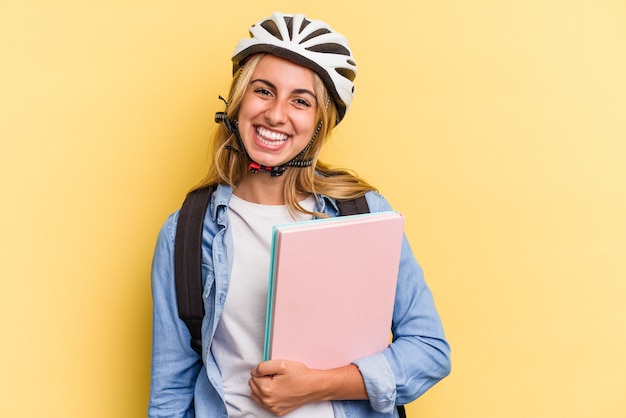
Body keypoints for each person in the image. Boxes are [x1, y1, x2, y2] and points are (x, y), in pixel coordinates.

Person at [148, 12, 451, 418]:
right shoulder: (184, 233)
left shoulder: (365, 215)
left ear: (319, 124)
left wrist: (319, 385)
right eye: (263, 91)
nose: (275, 114)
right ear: (238, 102)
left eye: (300, 101)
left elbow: (429, 351)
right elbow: (170, 393)